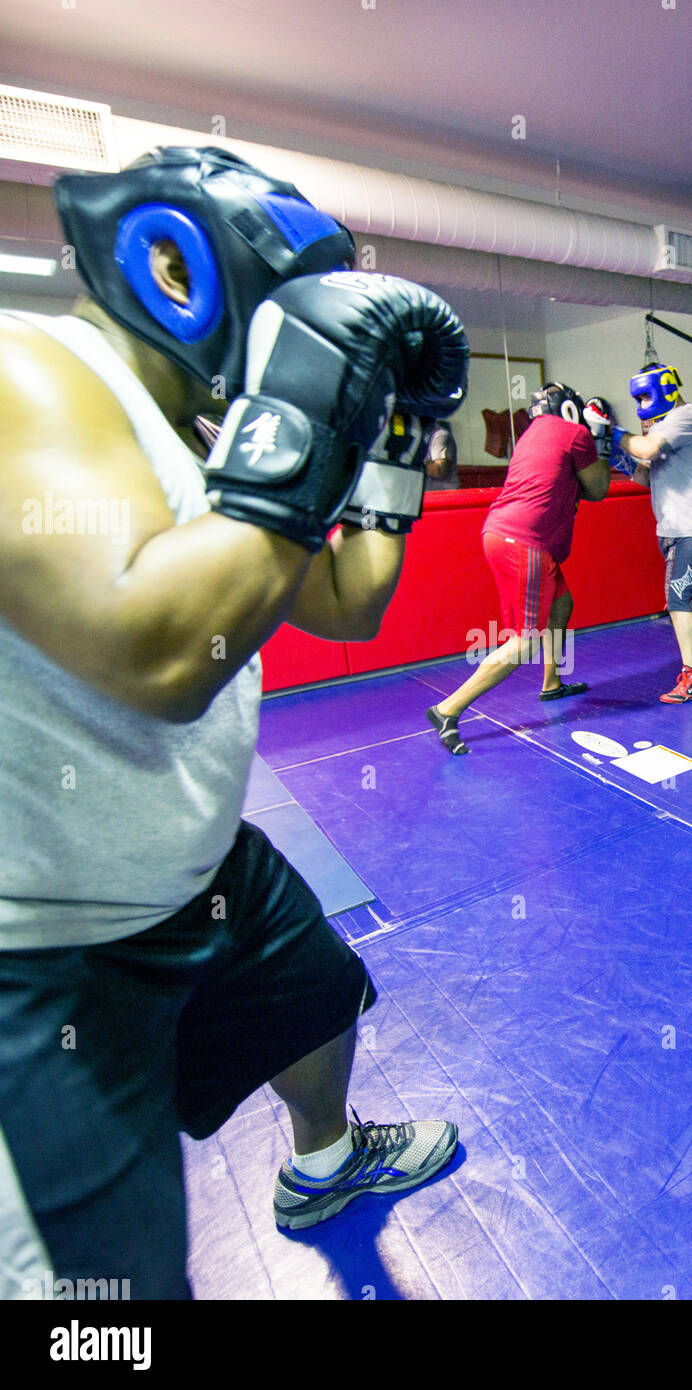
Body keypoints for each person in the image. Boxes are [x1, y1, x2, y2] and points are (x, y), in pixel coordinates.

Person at [0, 145, 470, 1299]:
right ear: (173, 267)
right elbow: (158, 653)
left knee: (315, 990)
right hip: (45, 944)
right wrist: (305, 399)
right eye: (282, 308)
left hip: (203, 867)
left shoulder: (205, 441)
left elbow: (348, 601)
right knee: (112, 1298)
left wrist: (393, 444)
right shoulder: (31, 369)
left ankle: (323, 1162)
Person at [426, 383, 611, 754]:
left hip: (503, 533)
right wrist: (601, 438)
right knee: (525, 641)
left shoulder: (531, 433)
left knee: (561, 604)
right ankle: (448, 710)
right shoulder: (574, 434)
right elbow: (598, 489)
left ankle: (552, 683)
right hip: (525, 541)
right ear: (570, 410)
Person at [610, 363, 692, 703]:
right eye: (638, 398)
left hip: (690, 527)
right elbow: (643, 475)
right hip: (674, 526)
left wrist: (613, 431)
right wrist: (614, 452)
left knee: (677, 598)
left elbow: (645, 449)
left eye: (645, 395)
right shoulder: (662, 427)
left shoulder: (687, 417)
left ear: (664, 387)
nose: (642, 403)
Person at [424, 418, 460, 490]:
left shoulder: (440, 434)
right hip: (426, 492)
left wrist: (413, 464)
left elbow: (439, 470)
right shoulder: (421, 434)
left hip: (444, 493)